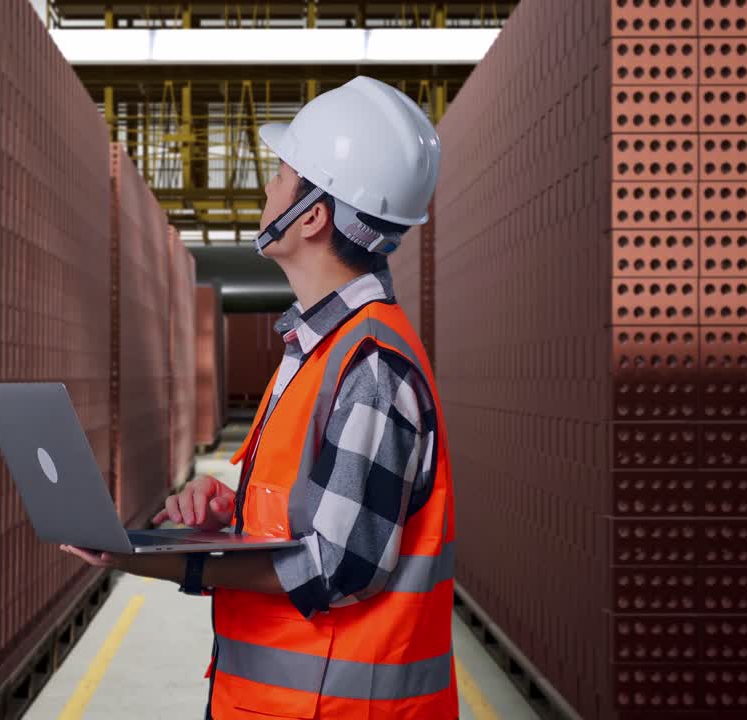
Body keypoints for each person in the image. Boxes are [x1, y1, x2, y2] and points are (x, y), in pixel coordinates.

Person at [62, 74, 457, 719]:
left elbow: (336, 569)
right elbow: (305, 513)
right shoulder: (315, 349)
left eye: (280, 173)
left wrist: (169, 564)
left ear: (314, 216)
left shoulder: (371, 368)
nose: (268, 187)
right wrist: (231, 507)